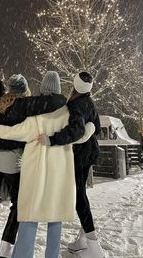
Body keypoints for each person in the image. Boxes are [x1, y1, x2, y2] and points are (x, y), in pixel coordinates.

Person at [0, 71, 96, 258]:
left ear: (42, 89)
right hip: (60, 174)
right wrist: (91, 128)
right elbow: (79, 134)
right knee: (56, 218)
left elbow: (17, 132)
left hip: (36, 173)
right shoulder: (69, 113)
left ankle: (23, 255)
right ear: (58, 89)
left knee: (30, 217)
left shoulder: (36, 115)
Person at [0, 52, 67, 258]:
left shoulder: (0, 102)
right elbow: (49, 100)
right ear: (25, 90)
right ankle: (6, 246)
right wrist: (63, 97)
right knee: (18, 205)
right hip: (12, 162)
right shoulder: (26, 105)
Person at [38, 72, 105, 258]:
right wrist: (90, 126)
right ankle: (84, 240)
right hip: (90, 153)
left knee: (79, 198)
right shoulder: (89, 103)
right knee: (80, 194)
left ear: (75, 85)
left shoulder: (74, 105)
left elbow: (76, 131)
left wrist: (52, 139)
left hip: (80, 156)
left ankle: (93, 245)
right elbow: (96, 126)